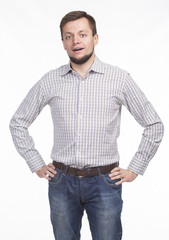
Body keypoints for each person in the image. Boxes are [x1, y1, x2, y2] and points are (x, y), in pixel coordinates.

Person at [9, 10, 164, 240]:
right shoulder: (51, 80)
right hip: (61, 182)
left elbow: (154, 124)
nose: (76, 41)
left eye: (82, 34)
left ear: (95, 38)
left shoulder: (119, 79)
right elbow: (18, 122)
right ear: (62, 43)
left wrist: (135, 168)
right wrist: (36, 163)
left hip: (104, 182)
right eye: (69, 36)